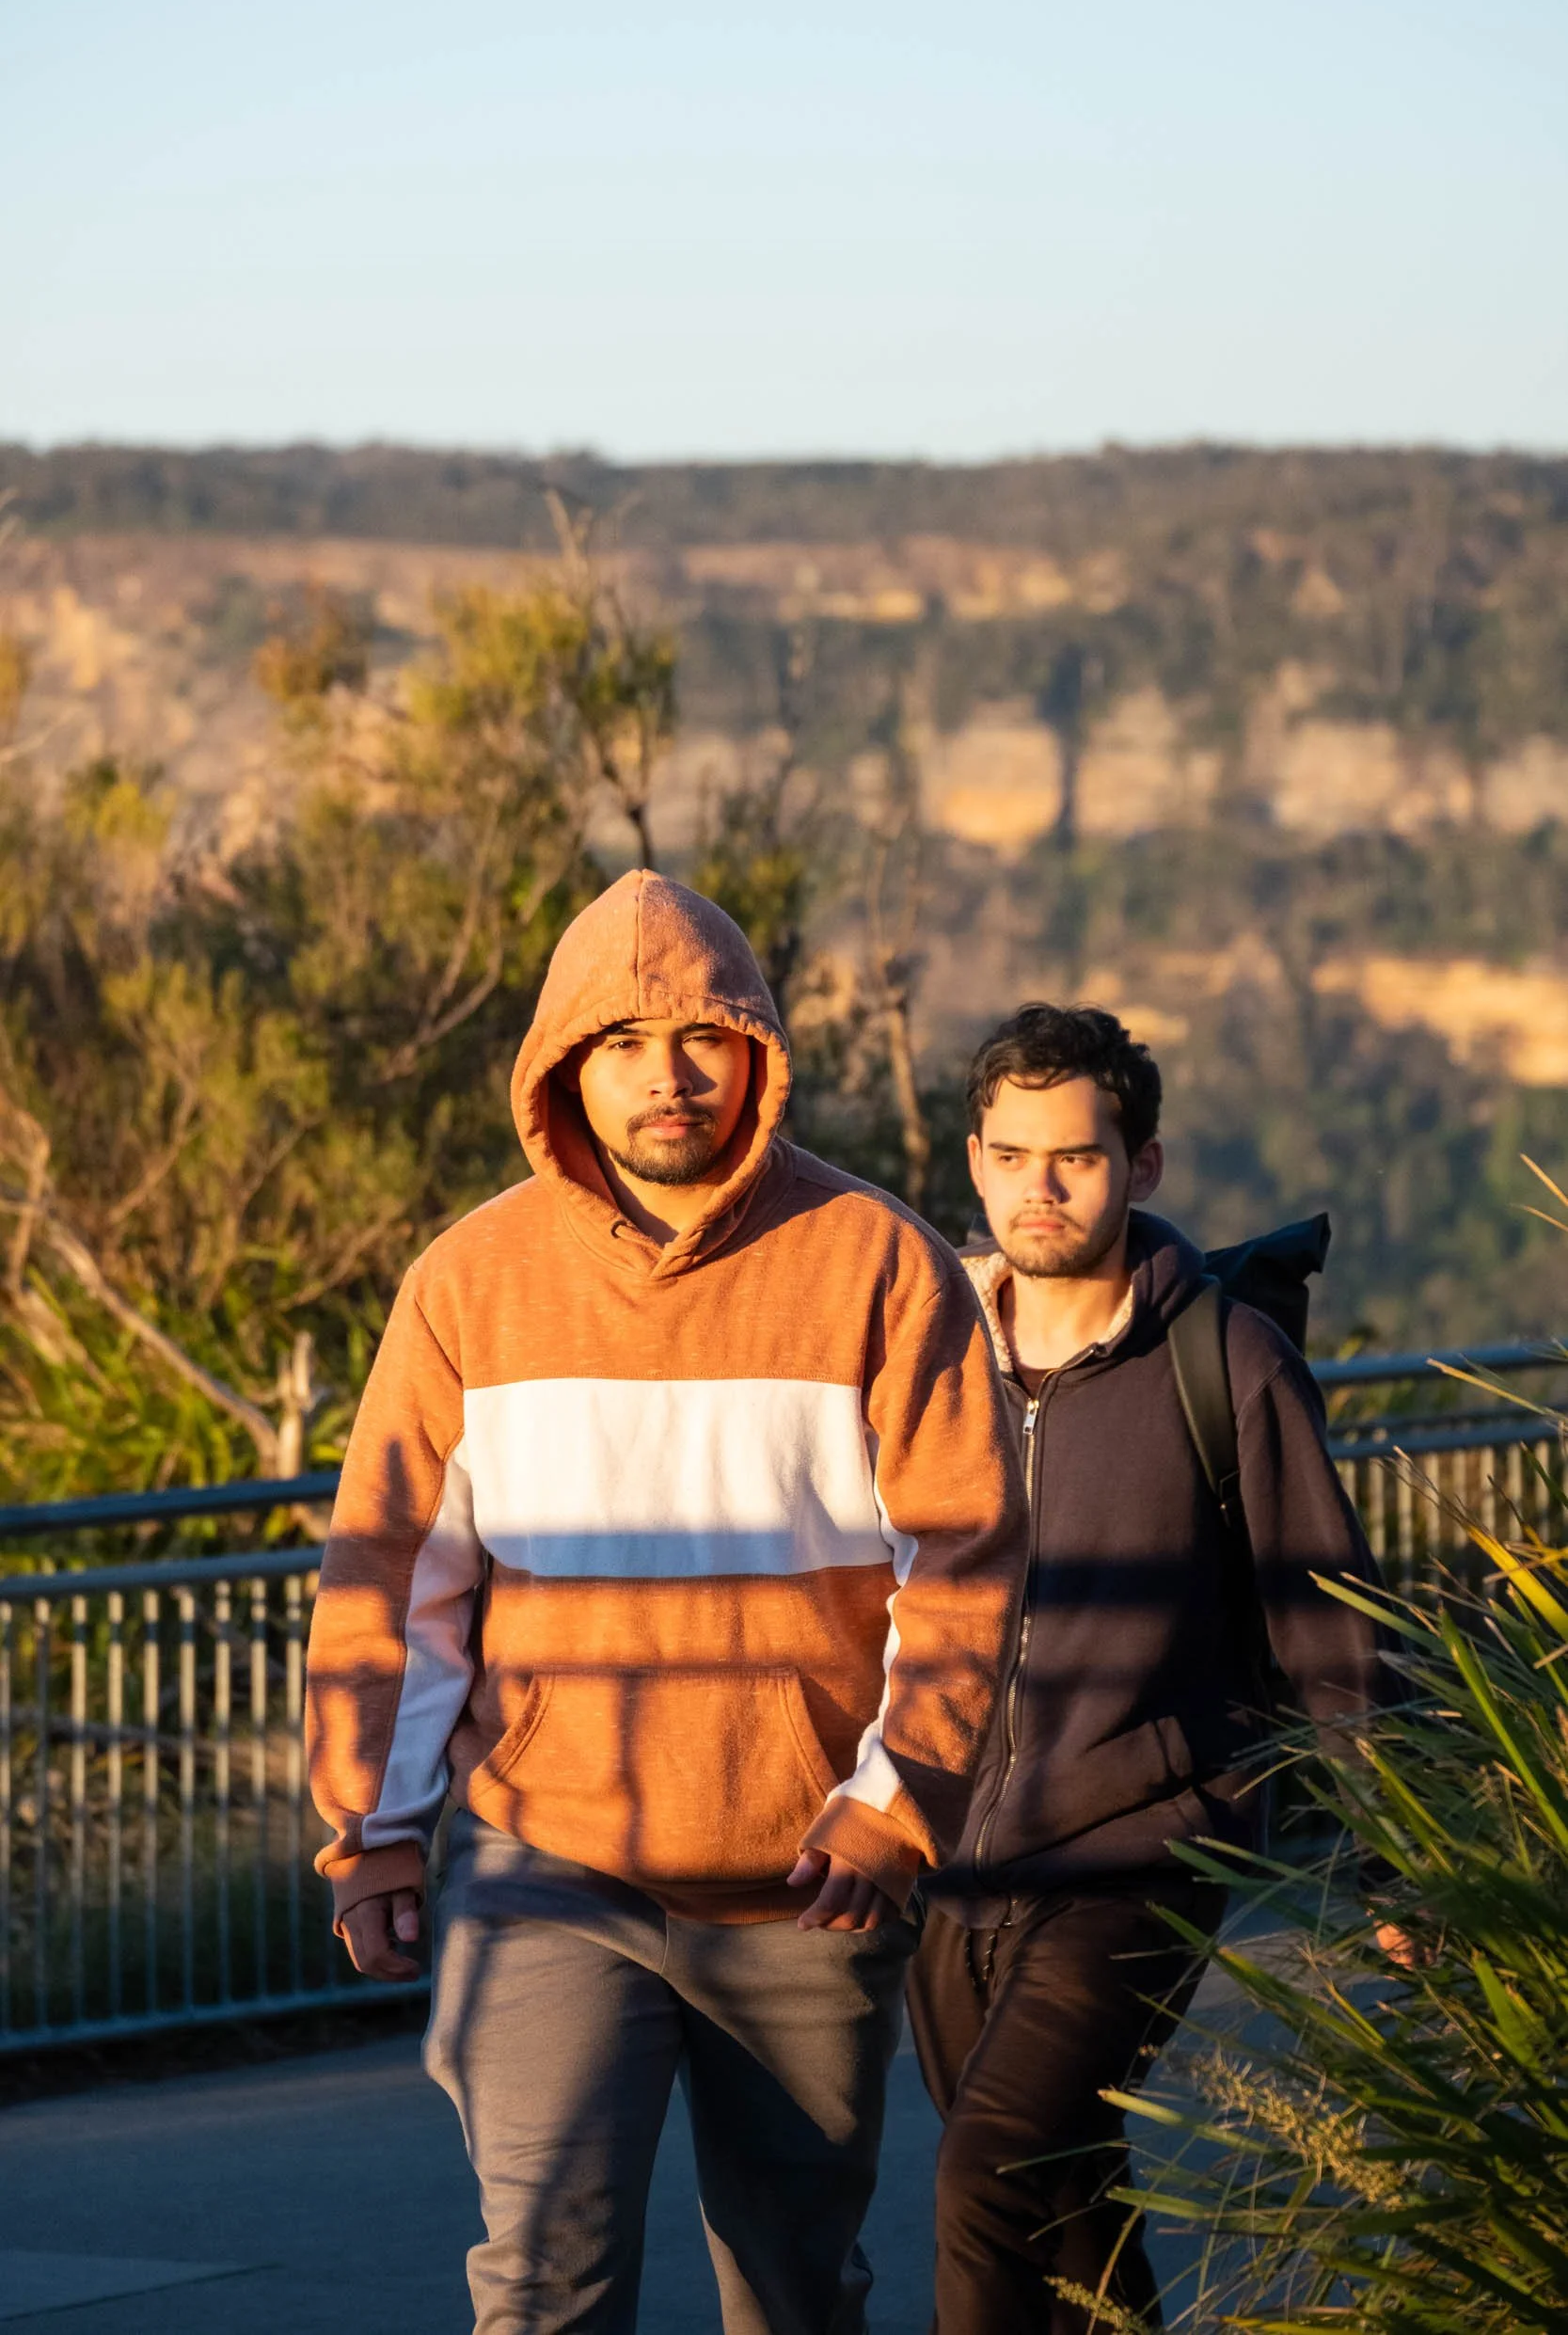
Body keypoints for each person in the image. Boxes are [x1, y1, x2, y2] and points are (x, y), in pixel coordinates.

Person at [306, 869, 1026, 2335]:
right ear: (565, 1063)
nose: (666, 1076)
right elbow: (397, 1576)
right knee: (541, 2281)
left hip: (807, 1886)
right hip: (547, 1868)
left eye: (699, 1037)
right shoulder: (469, 1282)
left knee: (791, 2285)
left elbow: (959, 1570)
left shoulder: (880, 1265)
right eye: (623, 1043)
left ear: (755, 1047)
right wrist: (371, 1834)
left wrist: (891, 1807)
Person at [908, 1001, 1390, 2335]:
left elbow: (1324, 1619)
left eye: (1072, 1156)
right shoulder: (930, 1354)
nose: (1038, 1188)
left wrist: (1392, 1860)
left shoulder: (1222, 1355)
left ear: (1142, 1165)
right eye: (1010, 1156)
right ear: (975, 1158)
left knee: (981, 2182)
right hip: (954, 1856)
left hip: (1142, 1849)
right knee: (1062, 2205)